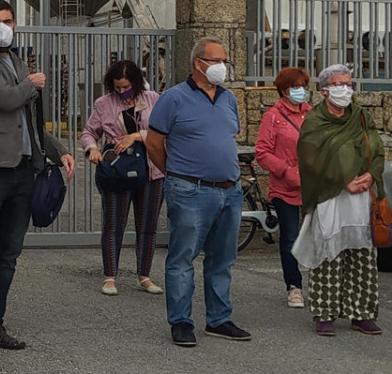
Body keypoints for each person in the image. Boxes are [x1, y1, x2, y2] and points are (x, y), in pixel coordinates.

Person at [0, 0, 76, 364]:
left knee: (8, 256)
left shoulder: (19, 62)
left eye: (7, 21)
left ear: (16, 24)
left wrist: (58, 151)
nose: (1, 27)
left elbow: (31, 120)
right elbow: (7, 98)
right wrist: (31, 83)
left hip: (24, 171)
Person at [145, 38, 250, 347]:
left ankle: (219, 319)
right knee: (182, 258)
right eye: (216, 60)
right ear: (198, 63)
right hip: (190, 190)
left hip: (229, 191)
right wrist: (176, 174)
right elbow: (154, 142)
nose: (222, 67)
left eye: (225, 60)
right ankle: (181, 322)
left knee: (222, 260)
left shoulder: (228, 99)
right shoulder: (174, 98)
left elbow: (227, 136)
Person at [292, 64, 384, 336]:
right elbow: (311, 160)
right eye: (339, 84)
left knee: (362, 255)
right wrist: (344, 180)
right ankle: (325, 314)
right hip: (329, 196)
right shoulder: (315, 121)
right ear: (324, 91)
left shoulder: (361, 116)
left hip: (361, 198)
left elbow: (376, 148)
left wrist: (370, 174)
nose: (346, 90)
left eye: (349, 84)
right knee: (328, 254)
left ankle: (362, 313)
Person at [81, 60, 164, 296]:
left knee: (147, 225)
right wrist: (92, 149)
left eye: (126, 87)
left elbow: (165, 130)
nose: (121, 91)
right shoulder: (104, 104)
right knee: (113, 223)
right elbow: (89, 132)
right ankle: (110, 276)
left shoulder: (152, 99)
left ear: (136, 83)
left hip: (151, 169)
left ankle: (144, 275)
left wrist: (138, 135)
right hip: (117, 169)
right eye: (117, 87)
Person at [255, 67, 311, 308]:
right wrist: (286, 170)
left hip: (312, 186)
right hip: (285, 188)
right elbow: (262, 152)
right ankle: (294, 286)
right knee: (289, 237)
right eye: (296, 87)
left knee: (316, 236)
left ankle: (321, 285)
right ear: (285, 90)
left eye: (304, 86)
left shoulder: (312, 114)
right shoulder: (273, 116)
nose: (302, 91)